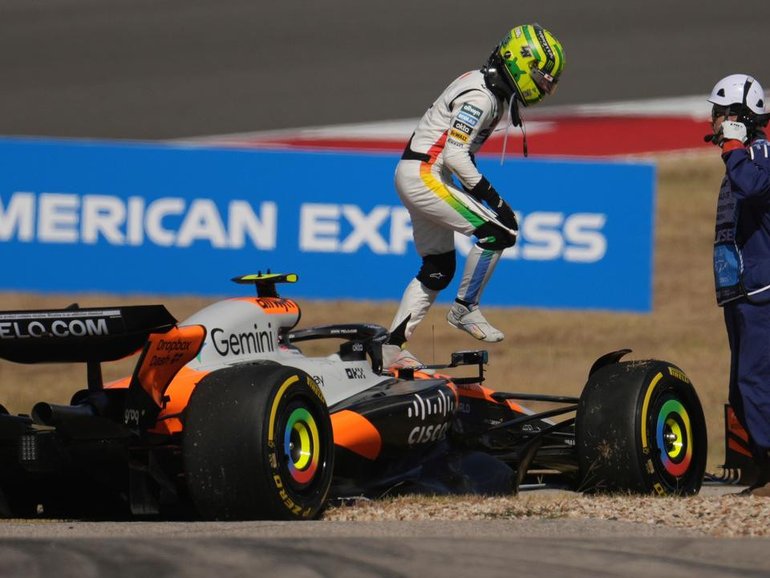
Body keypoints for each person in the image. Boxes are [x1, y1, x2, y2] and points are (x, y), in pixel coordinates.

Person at [382, 24, 565, 370]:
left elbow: (457, 155)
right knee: (500, 232)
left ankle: (390, 349)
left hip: (422, 173)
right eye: (541, 78)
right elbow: (455, 155)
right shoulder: (482, 97)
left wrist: (485, 199)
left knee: (438, 268)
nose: (544, 88)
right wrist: (496, 202)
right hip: (425, 174)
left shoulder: (488, 91)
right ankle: (465, 308)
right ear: (520, 63)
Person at [707, 73, 770, 495]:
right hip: (739, 290)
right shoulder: (742, 156)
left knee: (756, 381)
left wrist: (733, 147)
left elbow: (754, 187)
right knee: (742, 384)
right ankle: (757, 469)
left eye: (718, 113)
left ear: (737, 117)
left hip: (761, 290)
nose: (712, 121)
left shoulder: (759, 153)